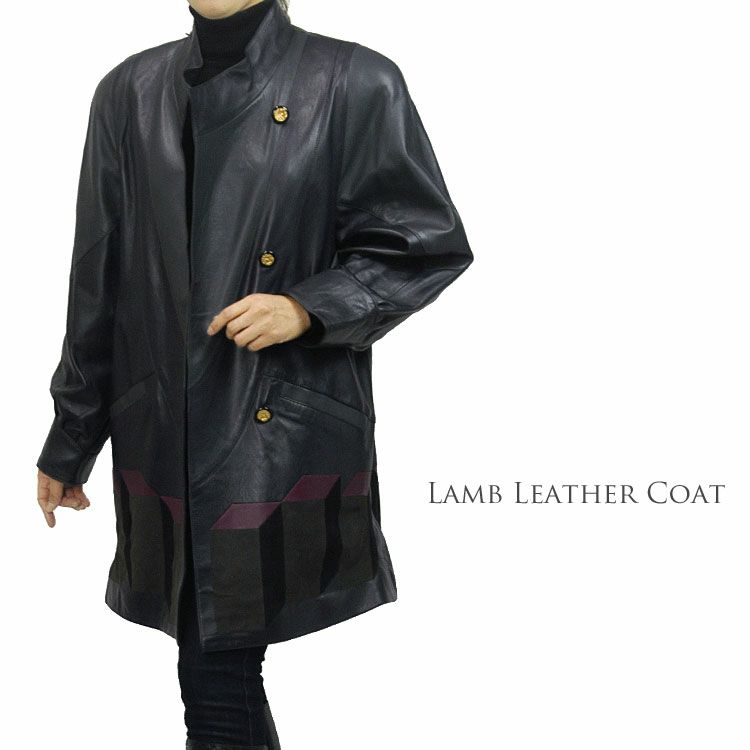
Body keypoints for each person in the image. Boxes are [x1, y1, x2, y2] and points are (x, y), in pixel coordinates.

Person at [35, 1, 474, 748]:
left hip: (275, 425)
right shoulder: (127, 90)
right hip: (161, 427)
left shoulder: (352, 79)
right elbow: (98, 276)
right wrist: (71, 436)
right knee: (215, 669)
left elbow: (424, 243)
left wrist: (308, 307)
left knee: (217, 670)